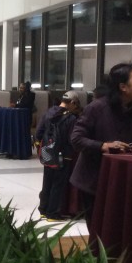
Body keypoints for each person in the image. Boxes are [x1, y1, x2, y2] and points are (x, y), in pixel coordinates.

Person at [69, 63, 132, 226]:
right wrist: (103, 145)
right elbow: (76, 138)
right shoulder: (97, 108)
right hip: (94, 182)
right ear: (123, 86)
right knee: (98, 232)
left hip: (120, 182)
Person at [36, 90, 83, 221]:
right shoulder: (71, 118)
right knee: (58, 184)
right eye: (76, 104)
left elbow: (39, 132)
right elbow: (72, 139)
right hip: (63, 155)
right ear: (72, 103)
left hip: (47, 152)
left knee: (47, 181)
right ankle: (53, 213)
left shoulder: (49, 112)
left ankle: (43, 210)